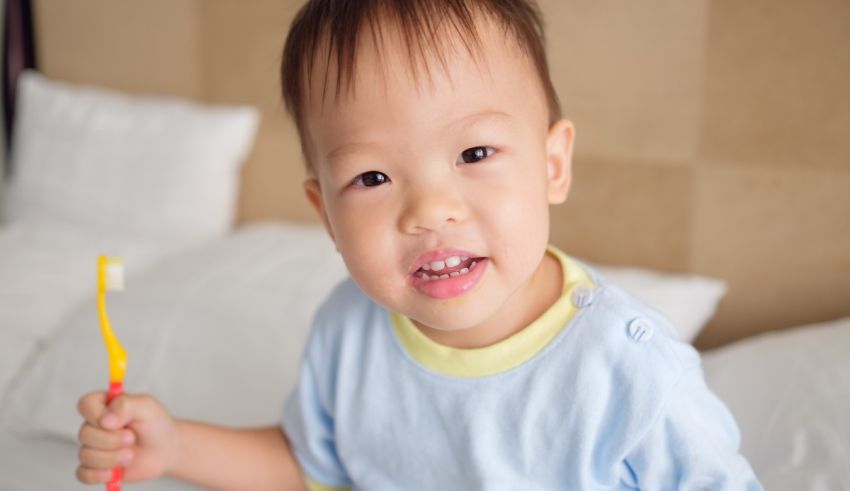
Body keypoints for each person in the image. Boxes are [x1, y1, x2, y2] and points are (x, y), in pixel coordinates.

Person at [76, 0, 763, 489]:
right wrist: (174, 447)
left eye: (474, 151)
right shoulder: (349, 329)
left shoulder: (630, 373)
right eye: (372, 176)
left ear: (552, 165)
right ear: (326, 215)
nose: (430, 210)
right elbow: (311, 464)